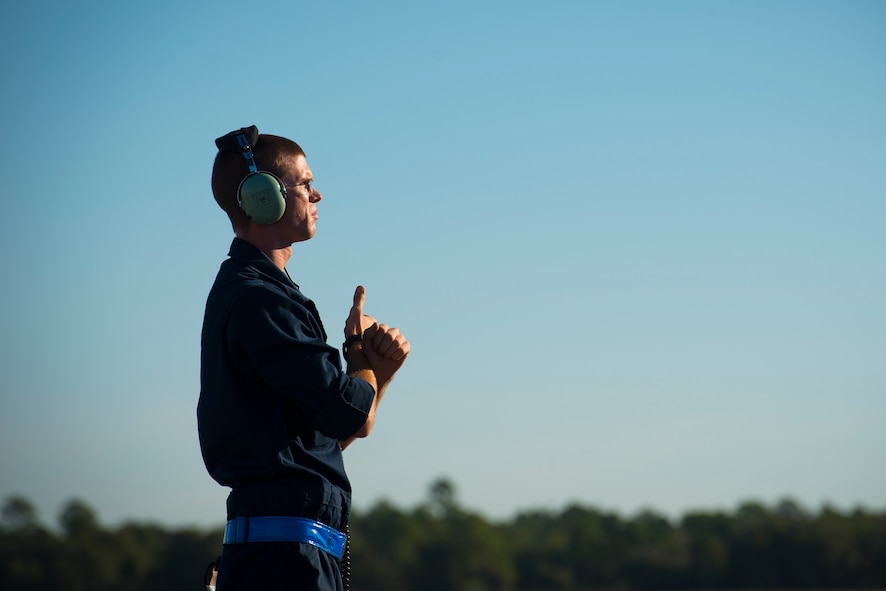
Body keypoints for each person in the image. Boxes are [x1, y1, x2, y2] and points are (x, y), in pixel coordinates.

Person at [197, 125, 409, 590]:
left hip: (286, 553)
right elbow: (346, 409)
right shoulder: (261, 301)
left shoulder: (255, 293)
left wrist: (378, 373)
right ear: (261, 197)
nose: (317, 196)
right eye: (306, 185)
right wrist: (358, 351)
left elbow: (321, 441)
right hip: (288, 563)